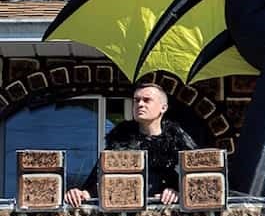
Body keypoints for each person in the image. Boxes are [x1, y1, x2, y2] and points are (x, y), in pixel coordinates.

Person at [65, 83, 197, 207]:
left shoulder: (179, 144)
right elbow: (97, 181)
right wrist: (80, 194)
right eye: (136, 100)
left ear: (163, 108)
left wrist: (178, 192)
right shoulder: (119, 141)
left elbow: (198, 186)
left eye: (147, 100)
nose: (140, 104)